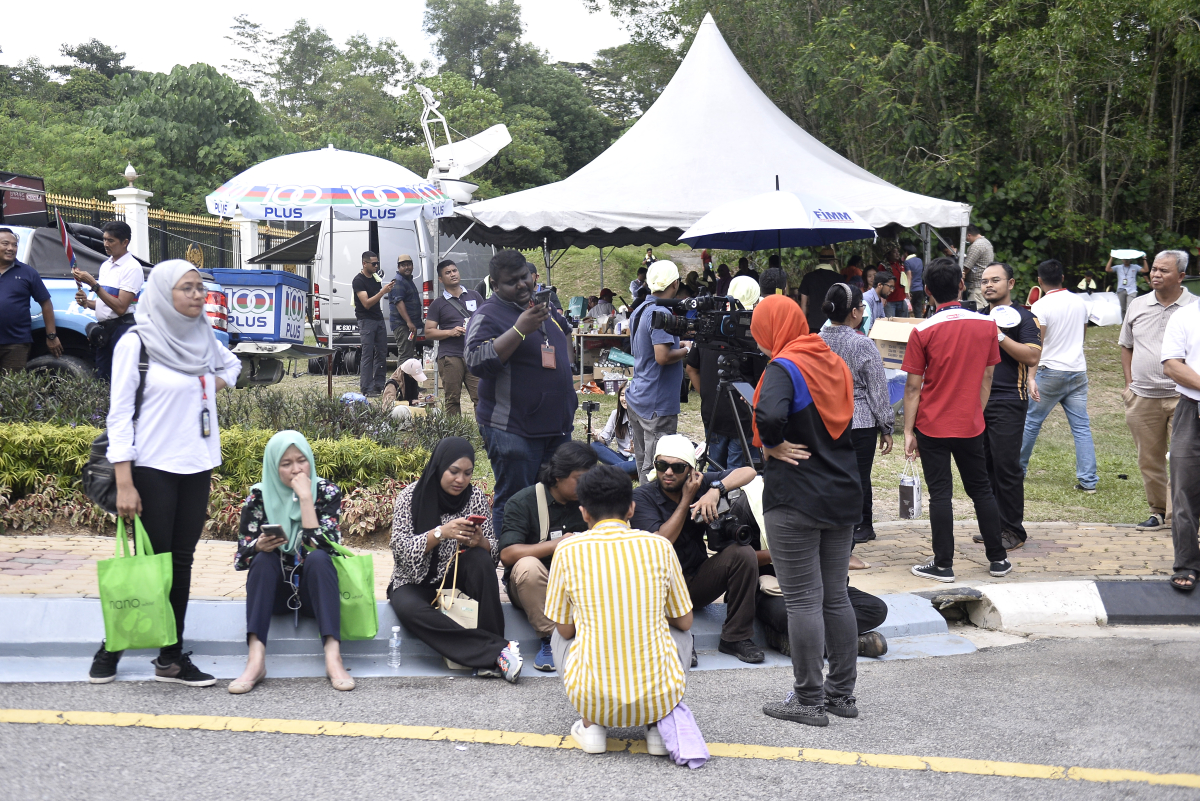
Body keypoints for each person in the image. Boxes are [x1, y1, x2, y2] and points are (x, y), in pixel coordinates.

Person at [88, 260, 243, 685]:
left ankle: (170, 659)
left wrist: (207, 385)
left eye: (199, 287)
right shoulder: (136, 342)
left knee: (181, 560)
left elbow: (232, 366)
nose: (197, 295)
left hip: (197, 464)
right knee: (151, 564)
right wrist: (124, 482)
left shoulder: (202, 334)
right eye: (186, 288)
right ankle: (113, 645)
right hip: (152, 467)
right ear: (161, 292)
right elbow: (119, 416)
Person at [750, 294, 861, 725]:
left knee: (801, 601)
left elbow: (768, 415)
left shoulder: (784, 366)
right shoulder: (833, 361)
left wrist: (773, 444)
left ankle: (808, 699)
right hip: (841, 491)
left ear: (771, 328)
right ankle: (841, 695)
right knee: (836, 596)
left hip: (796, 496)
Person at [545, 465, 695, 755]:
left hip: (592, 699)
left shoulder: (567, 550)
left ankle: (592, 726)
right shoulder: (660, 546)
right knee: (680, 633)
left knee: (559, 635)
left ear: (584, 512)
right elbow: (685, 621)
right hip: (658, 698)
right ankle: (657, 725)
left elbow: (565, 629)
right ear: (631, 509)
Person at [901, 257, 1009, 583]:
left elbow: (913, 387)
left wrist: (908, 430)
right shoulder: (987, 325)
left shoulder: (922, 330)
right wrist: (976, 410)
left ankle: (943, 564)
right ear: (962, 285)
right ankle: (998, 559)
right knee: (981, 490)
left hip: (931, 425)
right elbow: (988, 376)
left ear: (928, 291)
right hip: (970, 423)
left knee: (941, 495)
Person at [387, 437, 523, 680]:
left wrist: (480, 542)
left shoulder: (475, 497)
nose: (461, 479)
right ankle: (498, 651)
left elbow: (494, 553)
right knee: (409, 610)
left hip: (456, 576)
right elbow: (400, 550)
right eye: (454, 471)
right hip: (414, 580)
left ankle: (493, 646)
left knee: (480, 559)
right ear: (440, 466)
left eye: (468, 473)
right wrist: (440, 533)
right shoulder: (410, 496)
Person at [229, 431, 351, 693]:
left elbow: (329, 548)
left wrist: (306, 499)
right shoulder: (259, 497)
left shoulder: (326, 491)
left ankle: (333, 658)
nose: (296, 469)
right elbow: (241, 558)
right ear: (274, 467)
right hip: (276, 595)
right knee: (263, 560)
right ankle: (255, 660)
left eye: (302, 460)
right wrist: (258, 546)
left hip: (314, 596)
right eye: (286, 464)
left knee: (319, 558)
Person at [467, 250, 576, 535]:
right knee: (515, 500)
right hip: (513, 429)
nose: (521, 284)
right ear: (495, 284)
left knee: (553, 498)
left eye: (524, 276)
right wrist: (519, 330)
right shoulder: (488, 314)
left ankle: (541, 554)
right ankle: (509, 558)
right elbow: (475, 360)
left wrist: (568, 366)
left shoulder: (540, 305)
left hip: (556, 428)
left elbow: (564, 330)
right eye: (511, 281)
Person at [630, 435, 762, 663]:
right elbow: (661, 542)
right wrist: (687, 499)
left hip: (697, 581)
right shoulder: (642, 497)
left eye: (677, 467)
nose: (668, 472)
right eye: (661, 465)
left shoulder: (701, 483)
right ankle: (676, 637)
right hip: (662, 591)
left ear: (691, 471)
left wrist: (716, 489)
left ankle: (735, 637)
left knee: (743, 553)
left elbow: (749, 472)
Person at [499, 442, 596, 672]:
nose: (586, 485)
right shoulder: (523, 501)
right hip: (533, 587)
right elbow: (508, 554)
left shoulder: (591, 501)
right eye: (580, 479)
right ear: (558, 476)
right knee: (528, 566)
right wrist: (556, 544)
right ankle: (552, 640)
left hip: (577, 584)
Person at [1119, 251, 1195, 532]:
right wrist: (1129, 384)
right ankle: (1158, 512)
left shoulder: (1194, 308)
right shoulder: (1138, 305)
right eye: (1154, 270)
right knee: (1149, 460)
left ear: (1181, 276)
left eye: (1164, 270)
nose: (1155, 274)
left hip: (1184, 397)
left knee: (1182, 460)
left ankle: (1180, 518)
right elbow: (1126, 345)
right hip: (1142, 397)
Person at [819, 284, 894, 545]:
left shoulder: (816, 339)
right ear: (854, 312)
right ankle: (862, 524)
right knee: (860, 476)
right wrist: (886, 427)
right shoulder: (862, 344)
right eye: (862, 307)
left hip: (824, 419)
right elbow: (877, 390)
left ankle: (834, 524)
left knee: (830, 473)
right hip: (859, 421)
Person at [974, 263, 1042, 552]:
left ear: (1011, 283)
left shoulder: (1026, 318)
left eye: (995, 280)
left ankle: (1013, 530)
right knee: (984, 466)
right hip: (977, 400)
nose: (988, 285)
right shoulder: (976, 317)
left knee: (1006, 466)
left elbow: (1031, 356)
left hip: (1009, 399)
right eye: (984, 281)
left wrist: (999, 335)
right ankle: (994, 527)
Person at [1019, 259, 1098, 493]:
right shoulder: (1080, 302)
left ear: (1039, 281)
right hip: (1077, 370)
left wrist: (1030, 377)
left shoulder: (1040, 306)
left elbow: (1037, 344)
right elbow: (1082, 337)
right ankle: (1088, 481)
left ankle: (1017, 471)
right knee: (1081, 427)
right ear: (1063, 278)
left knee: (1031, 422)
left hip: (1050, 371)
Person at [626, 261, 692, 481]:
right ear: (675, 284)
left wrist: (678, 344)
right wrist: (687, 350)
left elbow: (649, 347)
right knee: (657, 469)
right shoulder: (661, 312)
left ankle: (643, 498)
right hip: (657, 403)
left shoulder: (641, 309)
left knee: (643, 462)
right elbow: (662, 357)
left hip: (639, 395)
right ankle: (650, 501)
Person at [685, 278, 760, 471]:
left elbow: (691, 368)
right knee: (737, 475)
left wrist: (707, 394)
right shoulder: (753, 333)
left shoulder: (709, 325)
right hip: (743, 417)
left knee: (714, 470)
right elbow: (760, 383)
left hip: (713, 413)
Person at [1161, 270, 1200, 592]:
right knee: (1184, 490)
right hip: (1191, 409)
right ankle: (1186, 563)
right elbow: (1172, 365)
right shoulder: (1185, 316)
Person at [72, 220, 142, 380]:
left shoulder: (132, 268)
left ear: (125, 242)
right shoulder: (106, 265)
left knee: (121, 378)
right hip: (105, 331)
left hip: (122, 329)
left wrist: (94, 285)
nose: (105, 244)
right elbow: (105, 303)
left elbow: (120, 308)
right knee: (103, 378)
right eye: (104, 239)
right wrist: (87, 303)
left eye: (111, 240)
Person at [425, 259, 484, 416]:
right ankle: (454, 431)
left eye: (454, 270)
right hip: (450, 355)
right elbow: (428, 332)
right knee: (452, 399)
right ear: (440, 279)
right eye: (447, 273)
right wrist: (450, 332)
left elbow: (487, 320)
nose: (452, 274)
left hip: (474, 353)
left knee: (481, 398)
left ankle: (484, 430)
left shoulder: (475, 296)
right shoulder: (438, 304)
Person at [0, 227, 61, 372]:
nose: (11, 248)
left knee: (12, 385)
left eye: (14, 245)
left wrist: (51, 335)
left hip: (16, 344)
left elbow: (46, 303)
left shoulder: (28, 273)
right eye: (5, 244)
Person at [351, 251, 393, 396]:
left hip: (378, 318)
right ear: (364, 263)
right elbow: (367, 303)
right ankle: (367, 388)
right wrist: (383, 292)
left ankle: (379, 385)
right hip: (366, 320)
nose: (376, 266)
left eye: (377, 263)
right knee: (367, 354)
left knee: (381, 353)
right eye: (374, 264)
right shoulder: (358, 281)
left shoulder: (375, 278)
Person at [387, 253, 421, 400]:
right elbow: (399, 302)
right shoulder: (399, 281)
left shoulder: (407, 280)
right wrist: (409, 322)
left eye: (409, 264)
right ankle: (398, 386)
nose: (407, 267)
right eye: (403, 265)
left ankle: (410, 386)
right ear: (398, 267)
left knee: (409, 356)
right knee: (405, 356)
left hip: (409, 326)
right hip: (402, 325)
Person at [592, 384, 638, 475]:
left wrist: (637, 451)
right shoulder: (616, 414)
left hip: (640, 459)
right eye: (622, 395)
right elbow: (605, 439)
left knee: (641, 463)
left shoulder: (645, 416)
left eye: (628, 395)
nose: (624, 399)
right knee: (594, 446)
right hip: (621, 457)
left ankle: (610, 471)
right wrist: (596, 437)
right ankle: (626, 470)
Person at [798, 248, 842, 331]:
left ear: (819, 261)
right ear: (832, 262)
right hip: (833, 324)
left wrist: (802, 326)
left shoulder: (808, 277)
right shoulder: (839, 278)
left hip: (813, 324)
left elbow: (803, 303)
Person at [960, 225, 994, 310]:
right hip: (984, 282)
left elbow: (967, 267)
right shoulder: (986, 242)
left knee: (977, 311)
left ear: (969, 235)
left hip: (977, 287)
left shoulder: (976, 246)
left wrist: (959, 278)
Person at [1107, 253, 1149, 318]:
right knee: (1122, 309)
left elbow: (1146, 270)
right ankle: (1124, 322)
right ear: (1122, 259)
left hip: (1132, 290)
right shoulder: (1118, 267)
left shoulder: (1135, 267)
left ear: (1131, 259)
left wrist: (1144, 259)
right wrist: (1111, 257)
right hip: (1121, 289)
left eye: (1128, 259)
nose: (1126, 260)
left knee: (1130, 307)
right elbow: (1107, 269)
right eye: (1125, 259)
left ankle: (1130, 321)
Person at [881, 248, 908, 318]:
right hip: (889, 300)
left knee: (903, 322)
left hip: (902, 299)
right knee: (890, 322)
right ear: (888, 254)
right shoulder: (883, 266)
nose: (897, 254)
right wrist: (883, 297)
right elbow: (880, 281)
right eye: (894, 252)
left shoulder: (900, 264)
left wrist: (907, 293)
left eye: (898, 252)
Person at [904, 242, 925, 317]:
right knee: (918, 310)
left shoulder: (907, 262)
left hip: (912, 289)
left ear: (906, 253)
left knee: (908, 310)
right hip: (920, 288)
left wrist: (907, 290)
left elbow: (909, 276)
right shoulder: (919, 260)